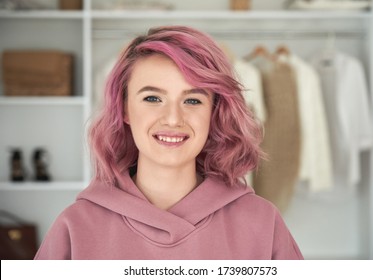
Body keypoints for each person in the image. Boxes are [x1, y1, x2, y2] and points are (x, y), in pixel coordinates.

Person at [34, 26, 303, 260]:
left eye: (193, 100)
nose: (173, 118)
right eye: (152, 98)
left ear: (213, 112)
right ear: (124, 109)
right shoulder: (75, 226)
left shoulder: (261, 222)